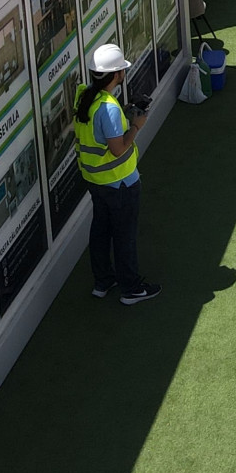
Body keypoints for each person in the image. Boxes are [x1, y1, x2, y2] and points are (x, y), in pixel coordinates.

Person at [73, 43, 159, 304]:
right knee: (124, 236)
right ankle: (131, 289)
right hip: (119, 184)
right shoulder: (108, 107)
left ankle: (104, 281)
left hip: (95, 181)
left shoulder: (85, 97)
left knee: (100, 230)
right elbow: (118, 149)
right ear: (117, 75)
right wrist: (136, 125)